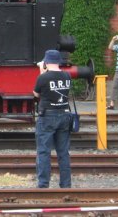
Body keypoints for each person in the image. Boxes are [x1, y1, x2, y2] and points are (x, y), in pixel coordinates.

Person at [33, 49, 72, 188]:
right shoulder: (67, 76)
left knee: (44, 151)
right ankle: (66, 184)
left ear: (46, 62)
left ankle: (43, 184)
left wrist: (41, 70)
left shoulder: (43, 77)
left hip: (47, 116)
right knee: (63, 152)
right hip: (64, 114)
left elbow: (36, 94)